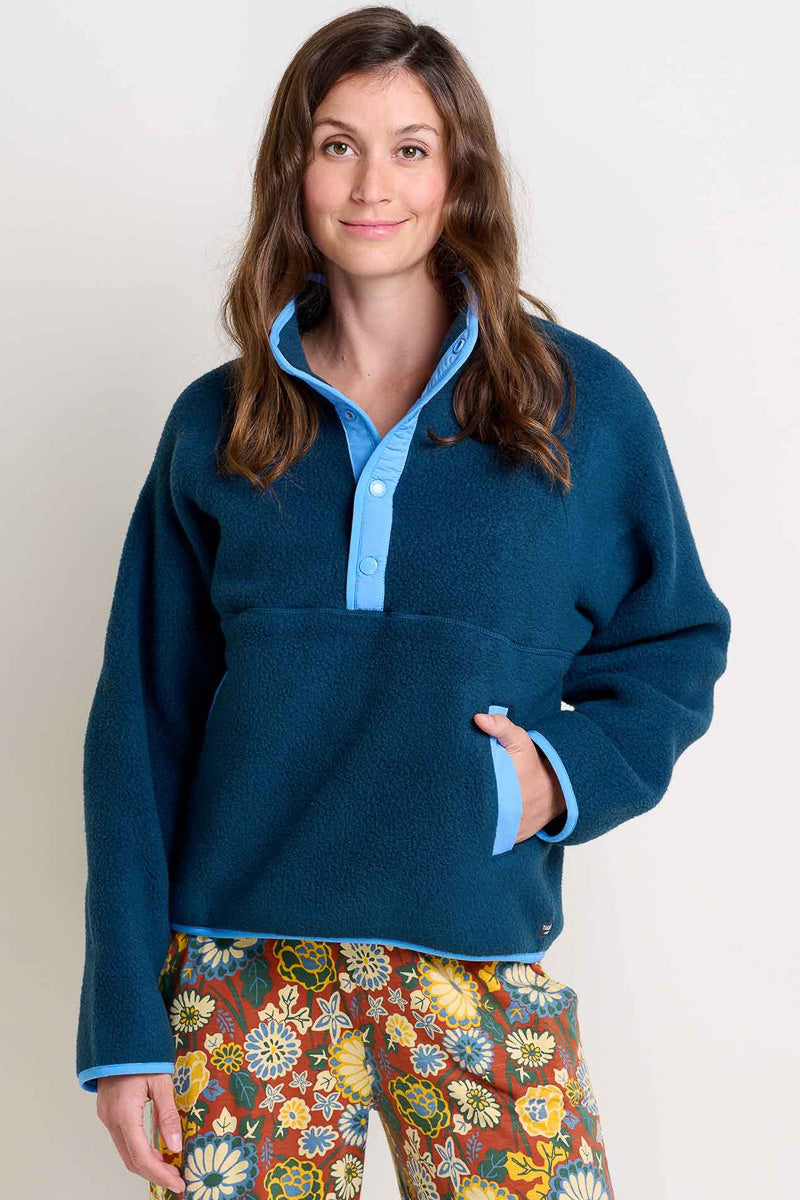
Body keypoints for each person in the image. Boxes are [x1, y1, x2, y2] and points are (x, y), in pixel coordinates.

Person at [75, 7, 731, 1199]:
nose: (371, 184)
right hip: (244, 975)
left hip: (477, 954)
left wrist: (555, 778)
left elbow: (673, 642)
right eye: (337, 145)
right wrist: (124, 1027)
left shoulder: (578, 406)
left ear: (456, 173)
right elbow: (138, 730)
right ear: (294, 171)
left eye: (410, 148)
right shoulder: (216, 425)